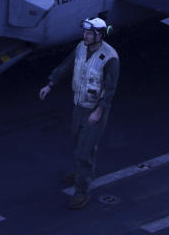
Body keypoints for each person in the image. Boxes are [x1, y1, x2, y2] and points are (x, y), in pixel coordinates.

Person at [39, 16, 119, 209]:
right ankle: (83, 172)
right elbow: (65, 66)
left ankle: (81, 191)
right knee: (79, 141)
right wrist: (50, 84)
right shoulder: (80, 47)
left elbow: (110, 90)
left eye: (89, 33)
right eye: (85, 32)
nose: (85, 35)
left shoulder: (110, 58)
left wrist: (99, 112)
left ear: (99, 35)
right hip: (79, 105)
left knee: (83, 151)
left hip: (94, 110)